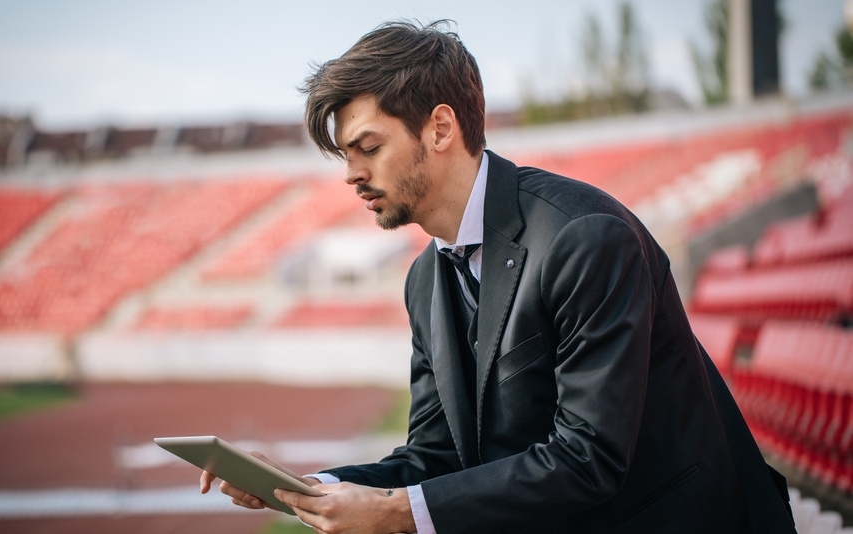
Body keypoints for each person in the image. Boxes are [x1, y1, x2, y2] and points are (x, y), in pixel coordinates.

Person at [200, 19, 796, 533]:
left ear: (439, 128)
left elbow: (589, 457)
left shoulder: (585, 237)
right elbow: (437, 457)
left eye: (368, 147)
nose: (351, 175)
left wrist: (397, 513)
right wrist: (306, 486)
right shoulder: (425, 281)